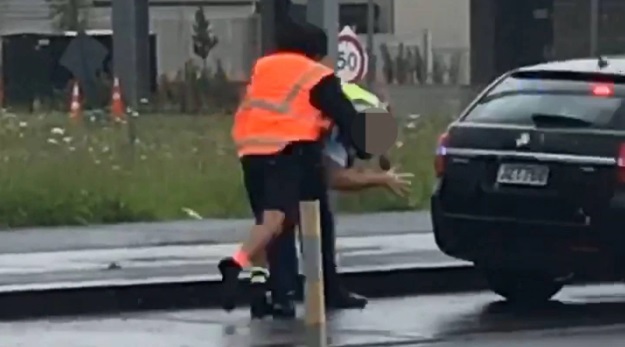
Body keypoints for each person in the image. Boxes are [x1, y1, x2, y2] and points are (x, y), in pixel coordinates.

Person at [217, 20, 371, 316]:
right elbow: (346, 115)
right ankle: (327, 289)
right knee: (317, 220)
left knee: (275, 224)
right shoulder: (315, 74)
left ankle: (282, 294)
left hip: (251, 151)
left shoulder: (264, 68)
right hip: (291, 152)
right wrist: (362, 149)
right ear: (316, 51)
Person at [259, 82, 413, 319]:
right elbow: (334, 177)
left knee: (315, 220)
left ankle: (318, 291)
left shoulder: (369, 110)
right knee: (289, 222)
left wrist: (383, 158)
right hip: (280, 147)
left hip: (284, 131)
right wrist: (380, 179)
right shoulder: (342, 130)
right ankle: (283, 296)